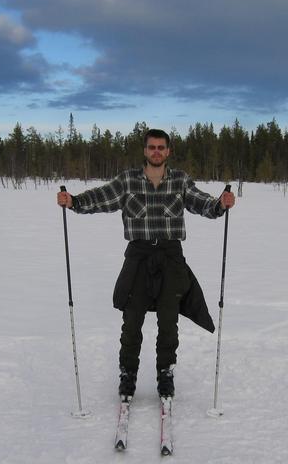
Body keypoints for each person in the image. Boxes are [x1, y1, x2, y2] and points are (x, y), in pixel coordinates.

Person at [56, 129, 235, 399]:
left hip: (171, 258)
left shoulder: (180, 181)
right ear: (145, 150)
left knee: (168, 322)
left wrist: (220, 203)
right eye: (152, 147)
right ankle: (127, 374)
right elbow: (101, 198)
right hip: (138, 257)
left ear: (168, 151)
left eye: (161, 147)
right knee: (132, 320)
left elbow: (204, 205)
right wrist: (74, 202)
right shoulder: (128, 181)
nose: (156, 152)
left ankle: (166, 375)